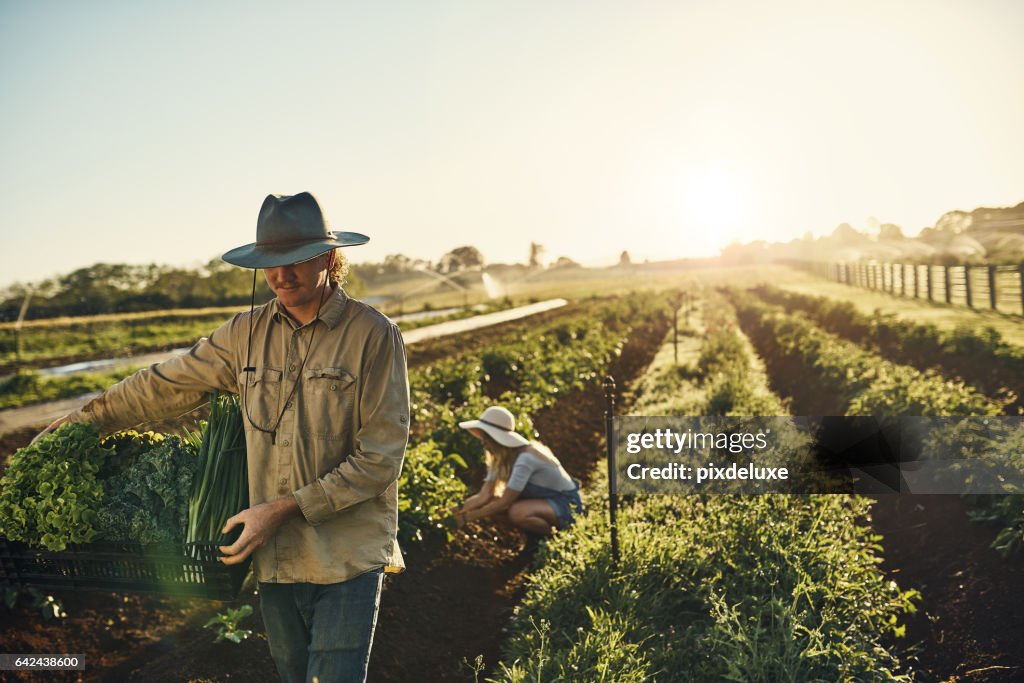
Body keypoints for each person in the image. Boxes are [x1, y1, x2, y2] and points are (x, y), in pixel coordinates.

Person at [34, 192, 410, 683]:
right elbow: (167, 384)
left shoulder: (372, 335)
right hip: (273, 558)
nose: (281, 275)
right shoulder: (244, 335)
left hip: (346, 556)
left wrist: (280, 509)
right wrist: (86, 421)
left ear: (327, 256)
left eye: (295, 261)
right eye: (270, 264)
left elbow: (379, 459)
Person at [449, 406, 584, 537]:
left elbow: (505, 502)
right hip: (542, 502)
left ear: (497, 439)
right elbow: (484, 496)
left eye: (487, 439)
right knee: (495, 504)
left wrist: (466, 519)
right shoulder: (500, 458)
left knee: (516, 512)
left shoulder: (526, 458)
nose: (484, 444)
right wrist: (449, 513)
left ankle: (553, 537)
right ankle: (534, 537)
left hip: (566, 504)